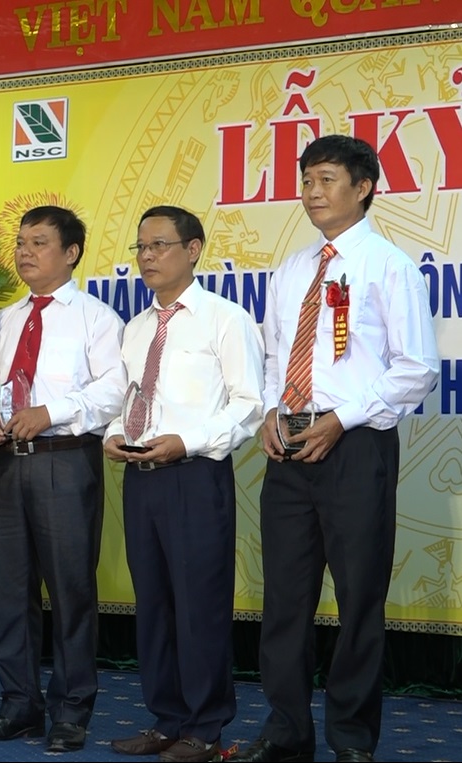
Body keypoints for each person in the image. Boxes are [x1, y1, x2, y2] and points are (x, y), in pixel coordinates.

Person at [231, 136, 438, 763]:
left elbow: (417, 368)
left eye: (325, 179)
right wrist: (272, 412)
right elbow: (275, 355)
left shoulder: (389, 266)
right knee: (284, 600)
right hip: (289, 446)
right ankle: (286, 731)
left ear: (363, 187)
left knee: (358, 600)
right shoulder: (293, 268)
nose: (312, 192)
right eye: (306, 181)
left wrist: (340, 420)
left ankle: (352, 739)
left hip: (355, 447)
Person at [104, 206, 265, 763]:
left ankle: (205, 728)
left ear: (193, 250)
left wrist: (188, 441)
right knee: (154, 605)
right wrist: (114, 434)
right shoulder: (136, 328)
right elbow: (129, 398)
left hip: (196, 476)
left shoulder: (225, 319)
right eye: (141, 247)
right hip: (141, 477)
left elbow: (249, 406)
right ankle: (166, 719)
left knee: (199, 607)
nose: (147, 256)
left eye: (160, 245)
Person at [0, 206, 126, 752]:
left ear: (71, 252)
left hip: (65, 460)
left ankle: (71, 711)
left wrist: (51, 412)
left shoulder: (96, 319)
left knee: (70, 589)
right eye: (21, 243)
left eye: (38, 242)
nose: (25, 252)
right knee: (9, 591)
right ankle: (18, 705)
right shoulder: (4, 321)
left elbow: (114, 391)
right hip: (7, 463)